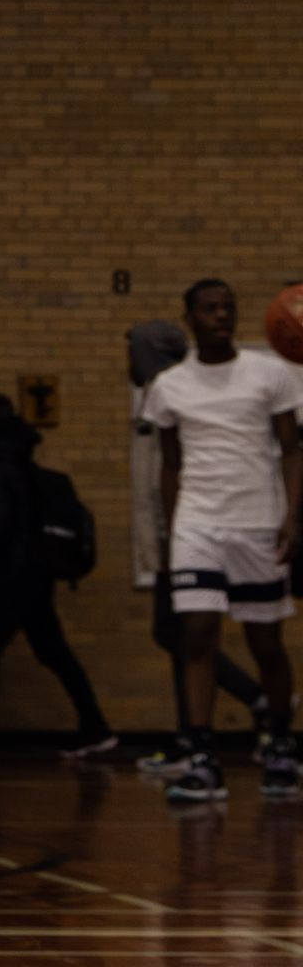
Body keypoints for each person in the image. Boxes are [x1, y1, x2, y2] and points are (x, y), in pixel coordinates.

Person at [140, 277, 303, 808]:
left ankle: (280, 742)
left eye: (227, 307)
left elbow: (292, 450)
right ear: (189, 318)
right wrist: (172, 531)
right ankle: (202, 756)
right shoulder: (169, 385)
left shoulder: (270, 373)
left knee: (265, 643)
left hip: (257, 521)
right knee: (198, 635)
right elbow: (170, 465)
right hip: (198, 524)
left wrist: (293, 517)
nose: (221, 316)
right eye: (209, 309)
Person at [0, 393, 114, 764]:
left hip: (7, 577)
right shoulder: (26, 465)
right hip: (37, 575)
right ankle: (96, 727)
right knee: (55, 653)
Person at [129, 317, 266, 779]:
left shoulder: (182, 396)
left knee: (182, 635)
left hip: (190, 534)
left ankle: (251, 702)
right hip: (170, 537)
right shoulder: (156, 395)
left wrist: (176, 536)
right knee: (178, 636)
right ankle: (190, 736)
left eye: (133, 350)